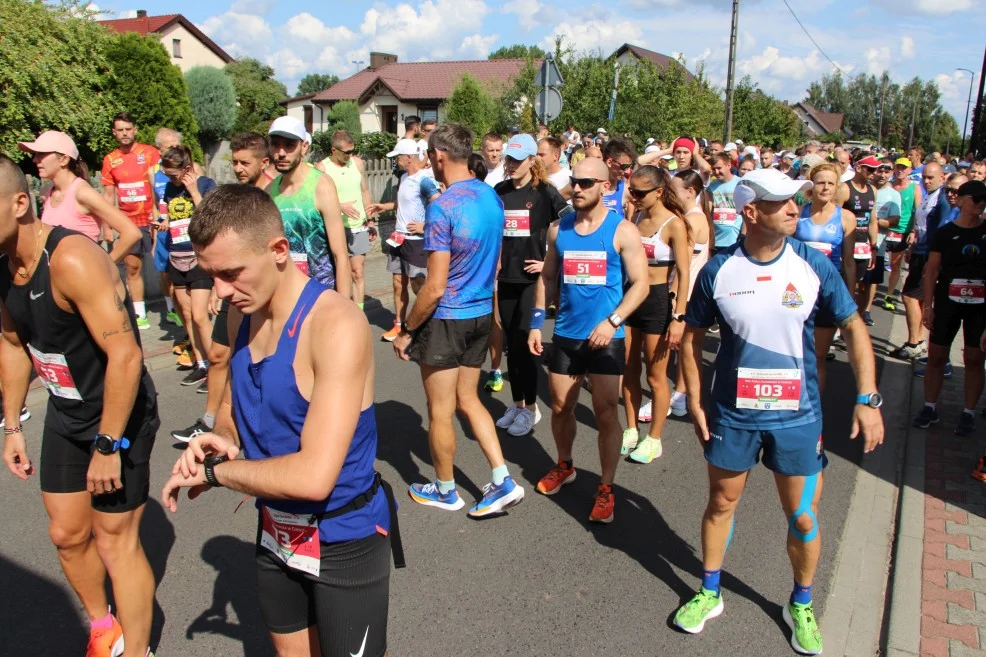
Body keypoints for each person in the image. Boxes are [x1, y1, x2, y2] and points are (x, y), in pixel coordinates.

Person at [161, 184, 399, 657]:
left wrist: (216, 473)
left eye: (231, 273)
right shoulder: (243, 314)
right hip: (277, 531)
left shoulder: (336, 325)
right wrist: (222, 439)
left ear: (279, 251)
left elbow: (313, 477)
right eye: (212, 276)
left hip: (343, 538)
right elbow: (231, 402)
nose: (221, 292)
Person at [673, 168, 884, 656]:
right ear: (751, 212)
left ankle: (800, 603)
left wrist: (867, 397)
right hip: (734, 416)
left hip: (798, 418)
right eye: (783, 202)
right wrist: (696, 399)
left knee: (805, 517)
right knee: (721, 504)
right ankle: (709, 591)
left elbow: (853, 327)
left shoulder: (812, 264)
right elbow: (690, 338)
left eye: (799, 200)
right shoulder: (719, 270)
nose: (796, 208)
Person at [0, 153, 160, 657]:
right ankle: (102, 628)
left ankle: (136, 650)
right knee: (67, 533)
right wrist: (13, 426)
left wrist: (108, 445)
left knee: (114, 538)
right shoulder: (3, 267)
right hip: (68, 414)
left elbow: (126, 355)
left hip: (119, 415)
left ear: (20, 203)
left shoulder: (70, 259)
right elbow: (11, 345)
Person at [392, 123, 524, 517]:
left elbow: (432, 288)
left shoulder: (443, 207)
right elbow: (496, 260)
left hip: (448, 318)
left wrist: (406, 330)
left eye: (431, 155)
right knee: (469, 399)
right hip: (482, 313)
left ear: (438, 156)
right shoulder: (491, 197)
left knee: (440, 410)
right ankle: (503, 479)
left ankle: (446, 490)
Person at [528, 157, 648, 523]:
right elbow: (547, 277)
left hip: (606, 338)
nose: (577, 189)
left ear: (604, 186)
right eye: (574, 182)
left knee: (606, 412)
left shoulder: (623, 231)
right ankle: (565, 465)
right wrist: (536, 322)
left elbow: (641, 284)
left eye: (585, 183)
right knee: (561, 406)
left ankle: (606, 487)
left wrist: (613, 322)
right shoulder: (558, 230)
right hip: (565, 333)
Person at [172, 132, 270, 442]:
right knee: (218, 355)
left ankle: (255, 421)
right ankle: (210, 420)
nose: (239, 168)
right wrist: (218, 287)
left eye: (245, 162)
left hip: (261, 296)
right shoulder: (236, 196)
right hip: (231, 291)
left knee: (256, 360)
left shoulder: (273, 198)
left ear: (263, 162)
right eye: (235, 162)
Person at [493, 134, 568, 436]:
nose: (510, 164)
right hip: (505, 277)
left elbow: (571, 222)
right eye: (508, 159)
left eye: (516, 159)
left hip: (531, 280)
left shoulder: (545, 193)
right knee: (511, 344)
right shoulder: (499, 191)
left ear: (531, 161)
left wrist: (549, 258)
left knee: (526, 345)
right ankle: (517, 404)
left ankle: (532, 408)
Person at [619, 166, 692, 464]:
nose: (633, 197)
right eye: (631, 191)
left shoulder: (675, 224)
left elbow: (685, 275)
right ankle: (632, 428)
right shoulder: (634, 217)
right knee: (627, 368)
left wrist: (679, 317)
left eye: (639, 192)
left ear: (659, 192)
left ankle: (655, 438)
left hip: (658, 301)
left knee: (656, 375)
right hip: (629, 298)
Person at [912, 180, 986, 436]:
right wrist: (928, 306)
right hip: (947, 302)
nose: (979, 203)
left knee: (975, 359)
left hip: (980, 306)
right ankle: (930, 407)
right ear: (962, 200)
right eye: (974, 198)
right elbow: (931, 270)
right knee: (937, 357)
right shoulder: (945, 233)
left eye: (983, 199)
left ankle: (968, 413)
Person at [19, 131, 141, 260]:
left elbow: (132, 233)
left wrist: (105, 266)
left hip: (84, 277)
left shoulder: (82, 193)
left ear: (64, 159)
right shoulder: (47, 193)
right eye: (35, 154)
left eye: (42, 154)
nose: (35, 159)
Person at [267, 116, 351, 299]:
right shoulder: (269, 192)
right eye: (275, 144)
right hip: (283, 296)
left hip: (320, 297)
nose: (281, 153)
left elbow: (341, 255)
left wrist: (346, 308)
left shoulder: (321, 185)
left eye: (289, 145)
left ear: (303, 147)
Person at [369, 139, 440, 342]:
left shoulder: (425, 180)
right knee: (398, 284)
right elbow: (404, 204)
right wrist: (385, 206)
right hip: (398, 238)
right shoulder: (404, 178)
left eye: (398, 157)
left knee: (419, 285)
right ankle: (399, 326)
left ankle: (427, 323)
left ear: (409, 158)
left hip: (416, 241)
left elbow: (440, 205)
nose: (396, 161)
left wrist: (425, 227)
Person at [158, 146, 217, 388]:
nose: (170, 180)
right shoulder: (171, 188)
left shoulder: (205, 184)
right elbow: (173, 215)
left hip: (198, 258)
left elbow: (209, 217)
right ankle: (200, 364)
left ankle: (216, 366)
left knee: (201, 316)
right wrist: (164, 221)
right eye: (167, 175)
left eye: (173, 175)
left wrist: (193, 190)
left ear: (188, 168)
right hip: (176, 255)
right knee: (187, 314)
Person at [795, 163, 857, 390]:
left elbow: (849, 262)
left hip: (827, 291)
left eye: (831, 183)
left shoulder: (846, 218)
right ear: (812, 184)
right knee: (796, 353)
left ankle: (814, 408)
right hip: (798, 289)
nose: (825, 187)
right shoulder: (798, 212)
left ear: (837, 187)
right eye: (820, 182)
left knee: (819, 356)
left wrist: (849, 296)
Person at [100, 112, 160, 329]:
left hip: (153, 220)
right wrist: (106, 226)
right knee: (132, 268)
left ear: (135, 129)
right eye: (120, 130)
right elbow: (108, 197)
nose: (125, 133)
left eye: (128, 129)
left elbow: (161, 187)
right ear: (114, 133)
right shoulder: (110, 159)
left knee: (164, 266)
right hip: (129, 224)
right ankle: (140, 314)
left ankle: (173, 310)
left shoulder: (150, 153)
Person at [891, 162, 948, 360]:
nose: (926, 180)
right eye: (924, 177)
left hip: (929, 255)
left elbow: (942, 230)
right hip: (921, 252)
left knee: (909, 296)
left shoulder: (943, 198)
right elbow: (922, 225)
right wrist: (913, 246)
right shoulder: (928, 195)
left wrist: (933, 259)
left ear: (943, 178)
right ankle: (919, 340)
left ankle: (914, 342)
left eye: (931, 177)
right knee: (920, 298)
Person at [317, 130, 376, 309]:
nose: (350, 155)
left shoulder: (357, 164)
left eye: (352, 151)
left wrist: (371, 220)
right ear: (333, 150)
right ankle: (340, 310)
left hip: (358, 226)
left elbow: (364, 191)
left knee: (357, 272)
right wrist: (339, 206)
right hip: (335, 227)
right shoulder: (322, 168)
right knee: (338, 272)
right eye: (346, 152)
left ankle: (358, 312)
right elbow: (317, 198)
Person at [863, 159, 902, 322]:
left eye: (887, 172)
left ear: (892, 173)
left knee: (872, 279)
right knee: (857, 278)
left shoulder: (894, 195)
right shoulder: (865, 188)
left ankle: (866, 310)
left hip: (878, 242)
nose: (882, 175)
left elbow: (894, 220)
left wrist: (874, 221)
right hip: (858, 241)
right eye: (880, 171)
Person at [883, 157, 922, 311]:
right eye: (898, 167)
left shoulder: (914, 188)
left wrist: (913, 231)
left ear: (910, 171)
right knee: (877, 262)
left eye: (904, 168)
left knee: (895, 264)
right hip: (886, 229)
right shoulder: (889, 186)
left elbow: (917, 211)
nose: (900, 170)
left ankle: (889, 295)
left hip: (902, 231)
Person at [843, 156, 880, 319]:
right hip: (846, 243)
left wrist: (874, 246)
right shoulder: (845, 189)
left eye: (876, 169)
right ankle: (840, 324)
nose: (874, 173)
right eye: (870, 169)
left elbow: (872, 221)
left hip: (863, 245)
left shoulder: (873, 190)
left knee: (862, 286)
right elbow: (835, 216)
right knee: (846, 284)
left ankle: (855, 319)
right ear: (858, 168)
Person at [708, 154, 743, 256]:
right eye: (714, 169)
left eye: (719, 168)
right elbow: (709, 213)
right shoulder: (711, 187)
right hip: (716, 241)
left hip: (734, 239)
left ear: (729, 165)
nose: (716, 172)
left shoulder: (740, 183)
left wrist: (743, 235)